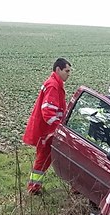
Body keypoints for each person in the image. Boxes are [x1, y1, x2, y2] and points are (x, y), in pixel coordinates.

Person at [22, 58, 72, 195]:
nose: (69, 74)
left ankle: (34, 187)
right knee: (43, 159)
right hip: (47, 132)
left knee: (43, 159)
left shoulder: (54, 83)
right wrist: (59, 128)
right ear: (58, 70)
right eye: (67, 71)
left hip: (47, 131)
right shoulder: (53, 85)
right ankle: (33, 188)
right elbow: (48, 112)